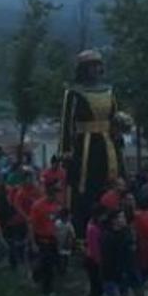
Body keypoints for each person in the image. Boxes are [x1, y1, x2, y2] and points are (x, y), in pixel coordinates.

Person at [58, 50, 125, 236]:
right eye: (90, 66)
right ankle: (82, 231)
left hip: (108, 144)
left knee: (112, 182)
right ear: (83, 69)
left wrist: (119, 132)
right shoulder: (73, 92)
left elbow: (115, 118)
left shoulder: (109, 90)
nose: (95, 69)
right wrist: (66, 150)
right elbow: (66, 123)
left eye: (97, 65)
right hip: (84, 146)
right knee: (84, 187)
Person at [29, 184, 62, 296]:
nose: (59, 197)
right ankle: (47, 290)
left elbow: (55, 220)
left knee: (51, 262)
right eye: (57, 195)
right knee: (48, 264)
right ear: (51, 195)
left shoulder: (56, 205)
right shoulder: (38, 206)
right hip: (41, 238)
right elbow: (31, 225)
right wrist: (33, 242)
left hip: (52, 238)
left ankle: (36, 275)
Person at [101, 209, 137, 296]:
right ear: (114, 220)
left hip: (124, 272)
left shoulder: (126, 232)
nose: (124, 219)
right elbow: (109, 259)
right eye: (121, 217)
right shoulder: (108, 236)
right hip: (112, 274)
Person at [84, 208, 105, 296]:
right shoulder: (93, 229)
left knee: (96, 285)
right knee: (96, 285)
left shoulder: (92, 225)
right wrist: (99, 262)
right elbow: (95, 248)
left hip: (93, 259)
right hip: (93, 261)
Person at [55, 208, 76, 276]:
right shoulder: (57, 223)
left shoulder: (69, 224)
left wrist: (70, 242)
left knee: (65, 257)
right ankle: (59, 269)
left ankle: (64, 270)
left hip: (66, 243)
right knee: (59, 257)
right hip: (58, 242)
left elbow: (72, 234)